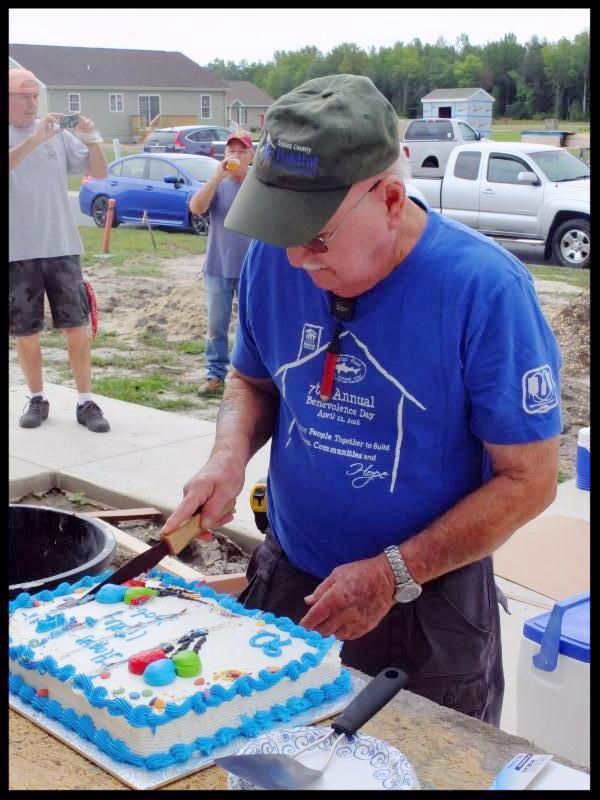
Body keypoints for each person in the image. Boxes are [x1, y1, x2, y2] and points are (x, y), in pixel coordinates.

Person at [163, 75, 562, 726]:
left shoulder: (485, 291)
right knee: (258, 754)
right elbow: (252, 380)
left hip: (426, 609)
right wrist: (227, 458)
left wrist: (394, 572)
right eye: (282, 230)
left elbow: (531, 480)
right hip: (290, 579)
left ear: (391, 199)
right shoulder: (275, 259)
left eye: (316, 237)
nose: (296, 259)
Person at [9, 68, 111, 432]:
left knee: (76, 326)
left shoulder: (58, 134)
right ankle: (36, 398)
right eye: (24, 96)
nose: (32, 103)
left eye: (35, 96)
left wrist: (92, 139)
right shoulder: (34, 135)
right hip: (18, 250)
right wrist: (35, 140)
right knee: (26, 332)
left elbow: (99, 172)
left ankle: (85, 401)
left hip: (62, 245)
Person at [189, 130, 254, 394]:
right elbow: (196, 208)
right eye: (231, 151)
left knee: (251, 324)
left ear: (251, 156)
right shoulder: (218, 183)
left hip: (251, 268)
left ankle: (248, 376)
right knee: (217, 325)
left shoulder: (258, 186)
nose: (235, 156)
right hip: (217, 265)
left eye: (241, 151)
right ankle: (215, 375)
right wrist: (217, 177)